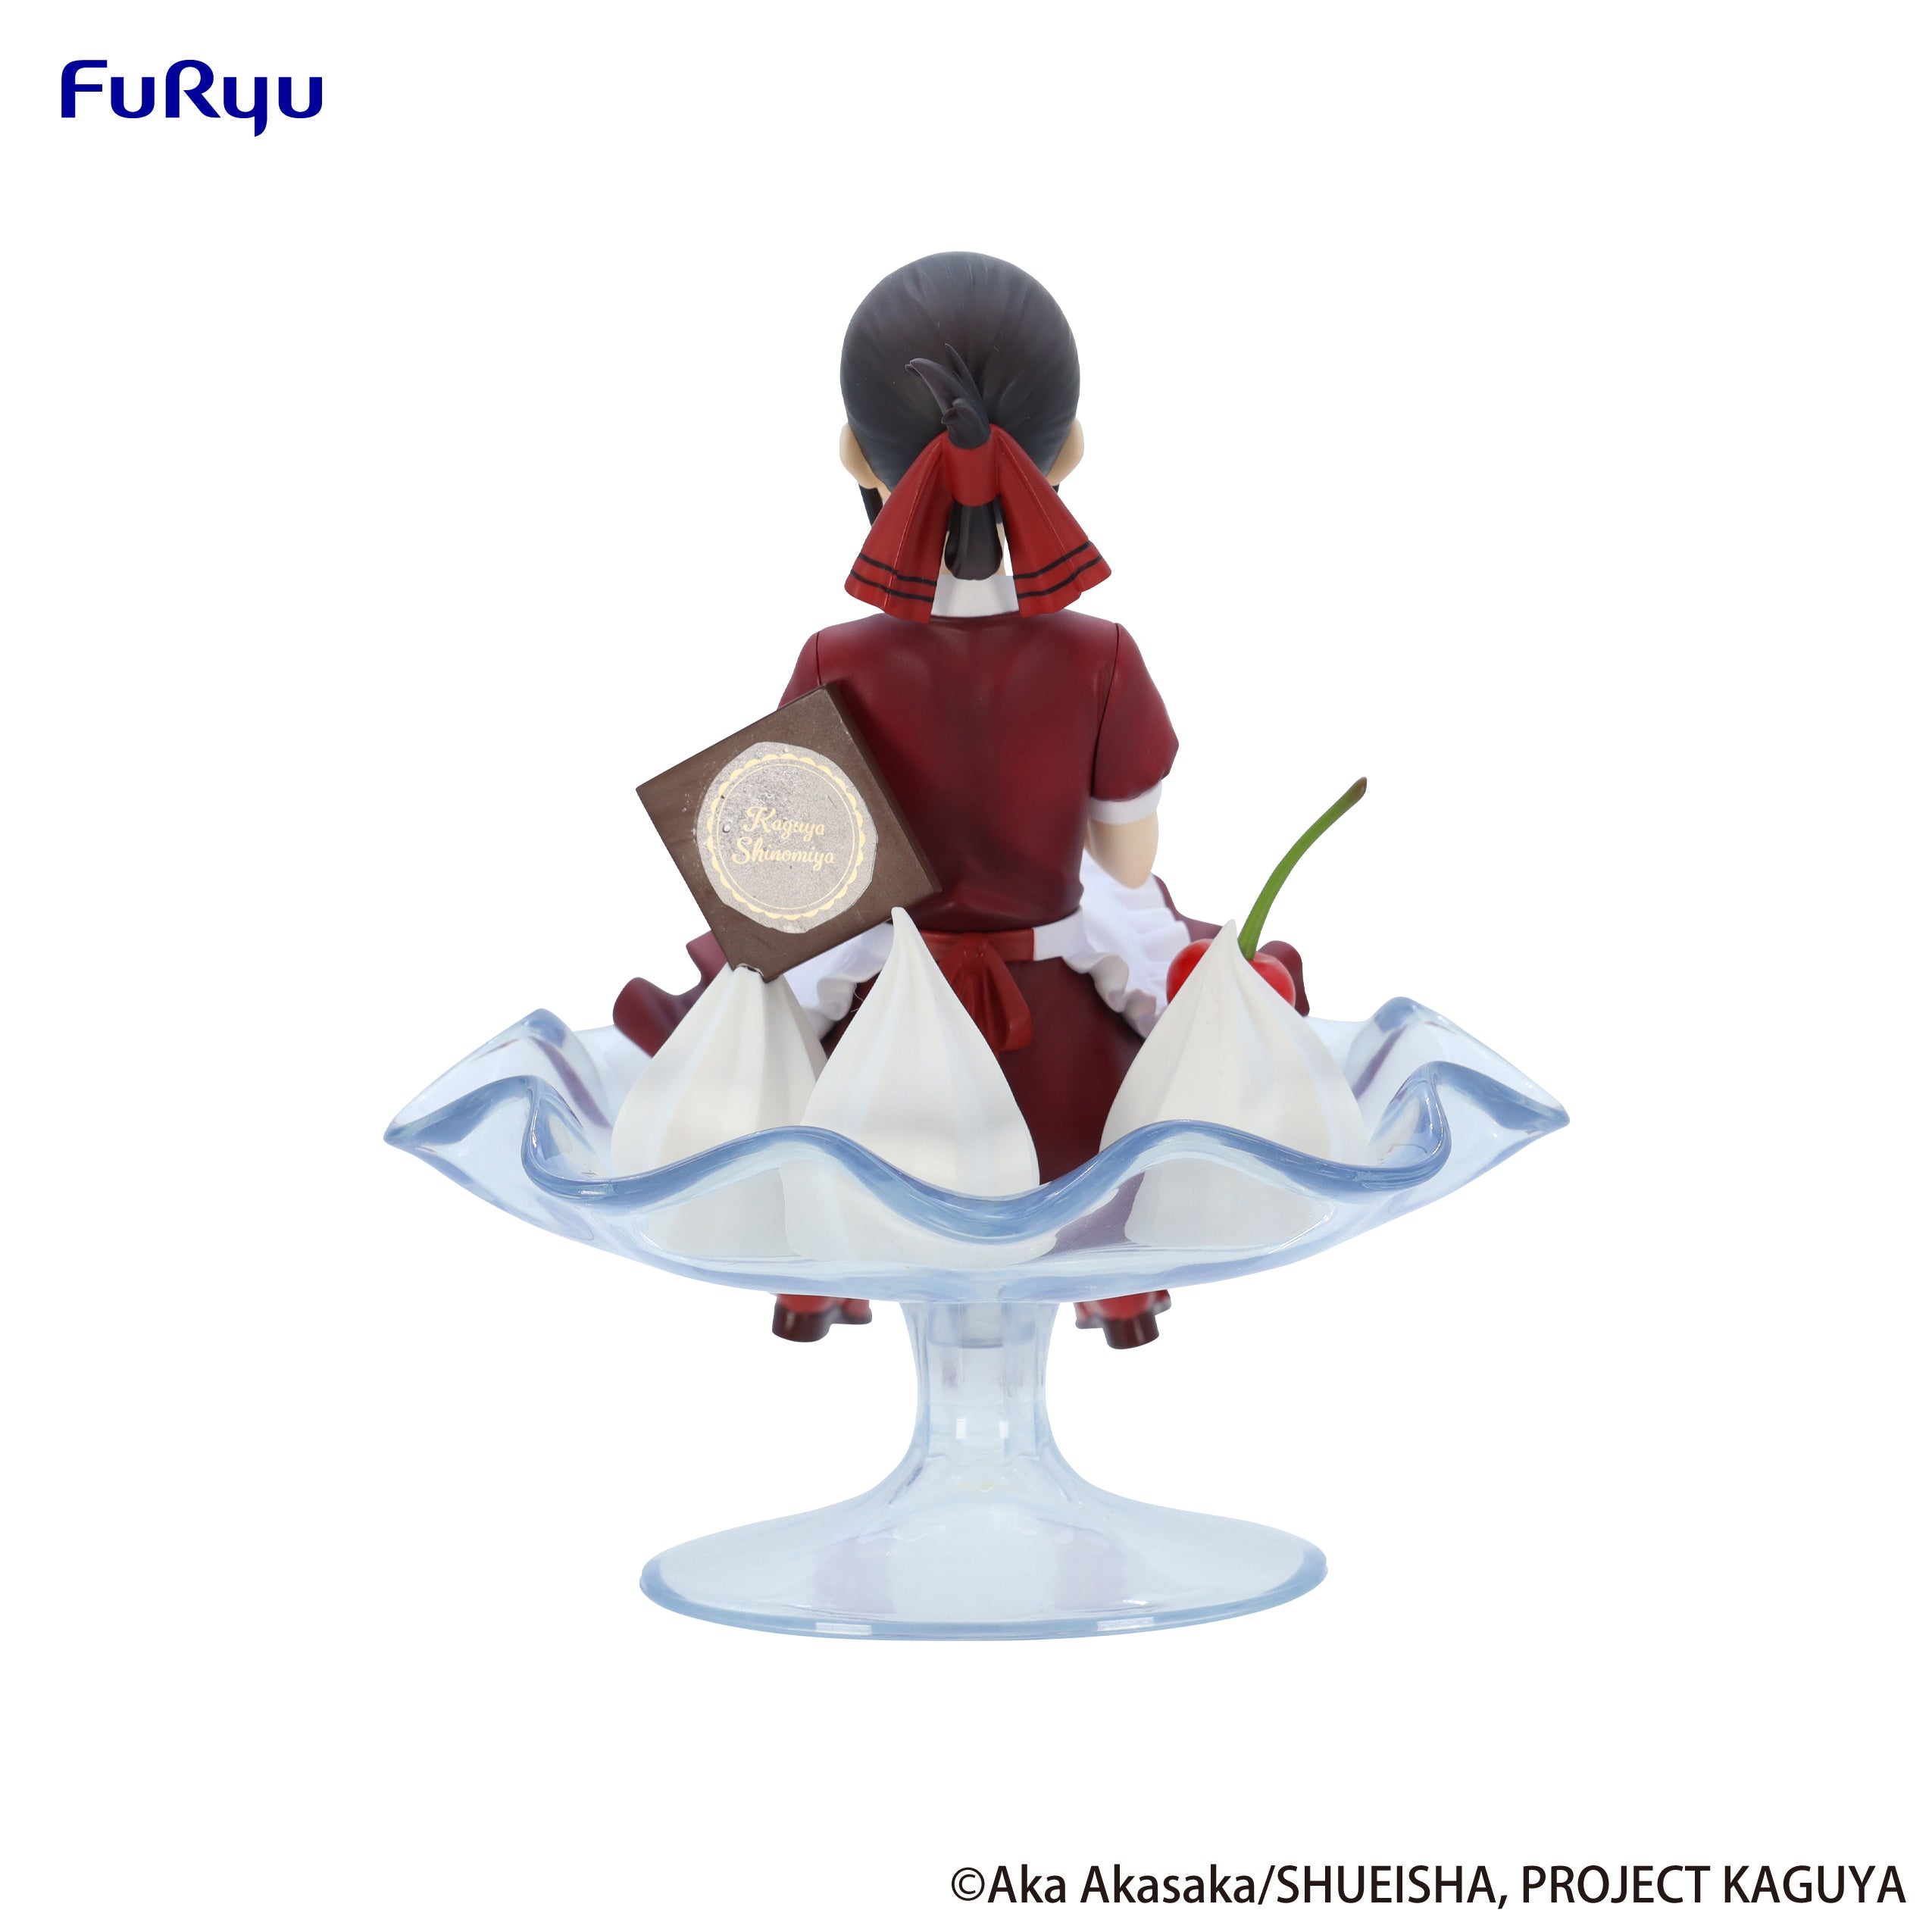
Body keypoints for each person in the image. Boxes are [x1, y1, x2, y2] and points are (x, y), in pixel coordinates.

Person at [616, 253, 1304, 1349]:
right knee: (1152, 1021)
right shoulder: (1102, 654)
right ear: (1068, 453)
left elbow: (798, 870)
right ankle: (1117, 1285)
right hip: (1060, 1080)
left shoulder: (833, 655)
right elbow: (1126, 865)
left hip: (876, 1058)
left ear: (854, 453)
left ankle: (815, 1275)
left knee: (769, 1039)